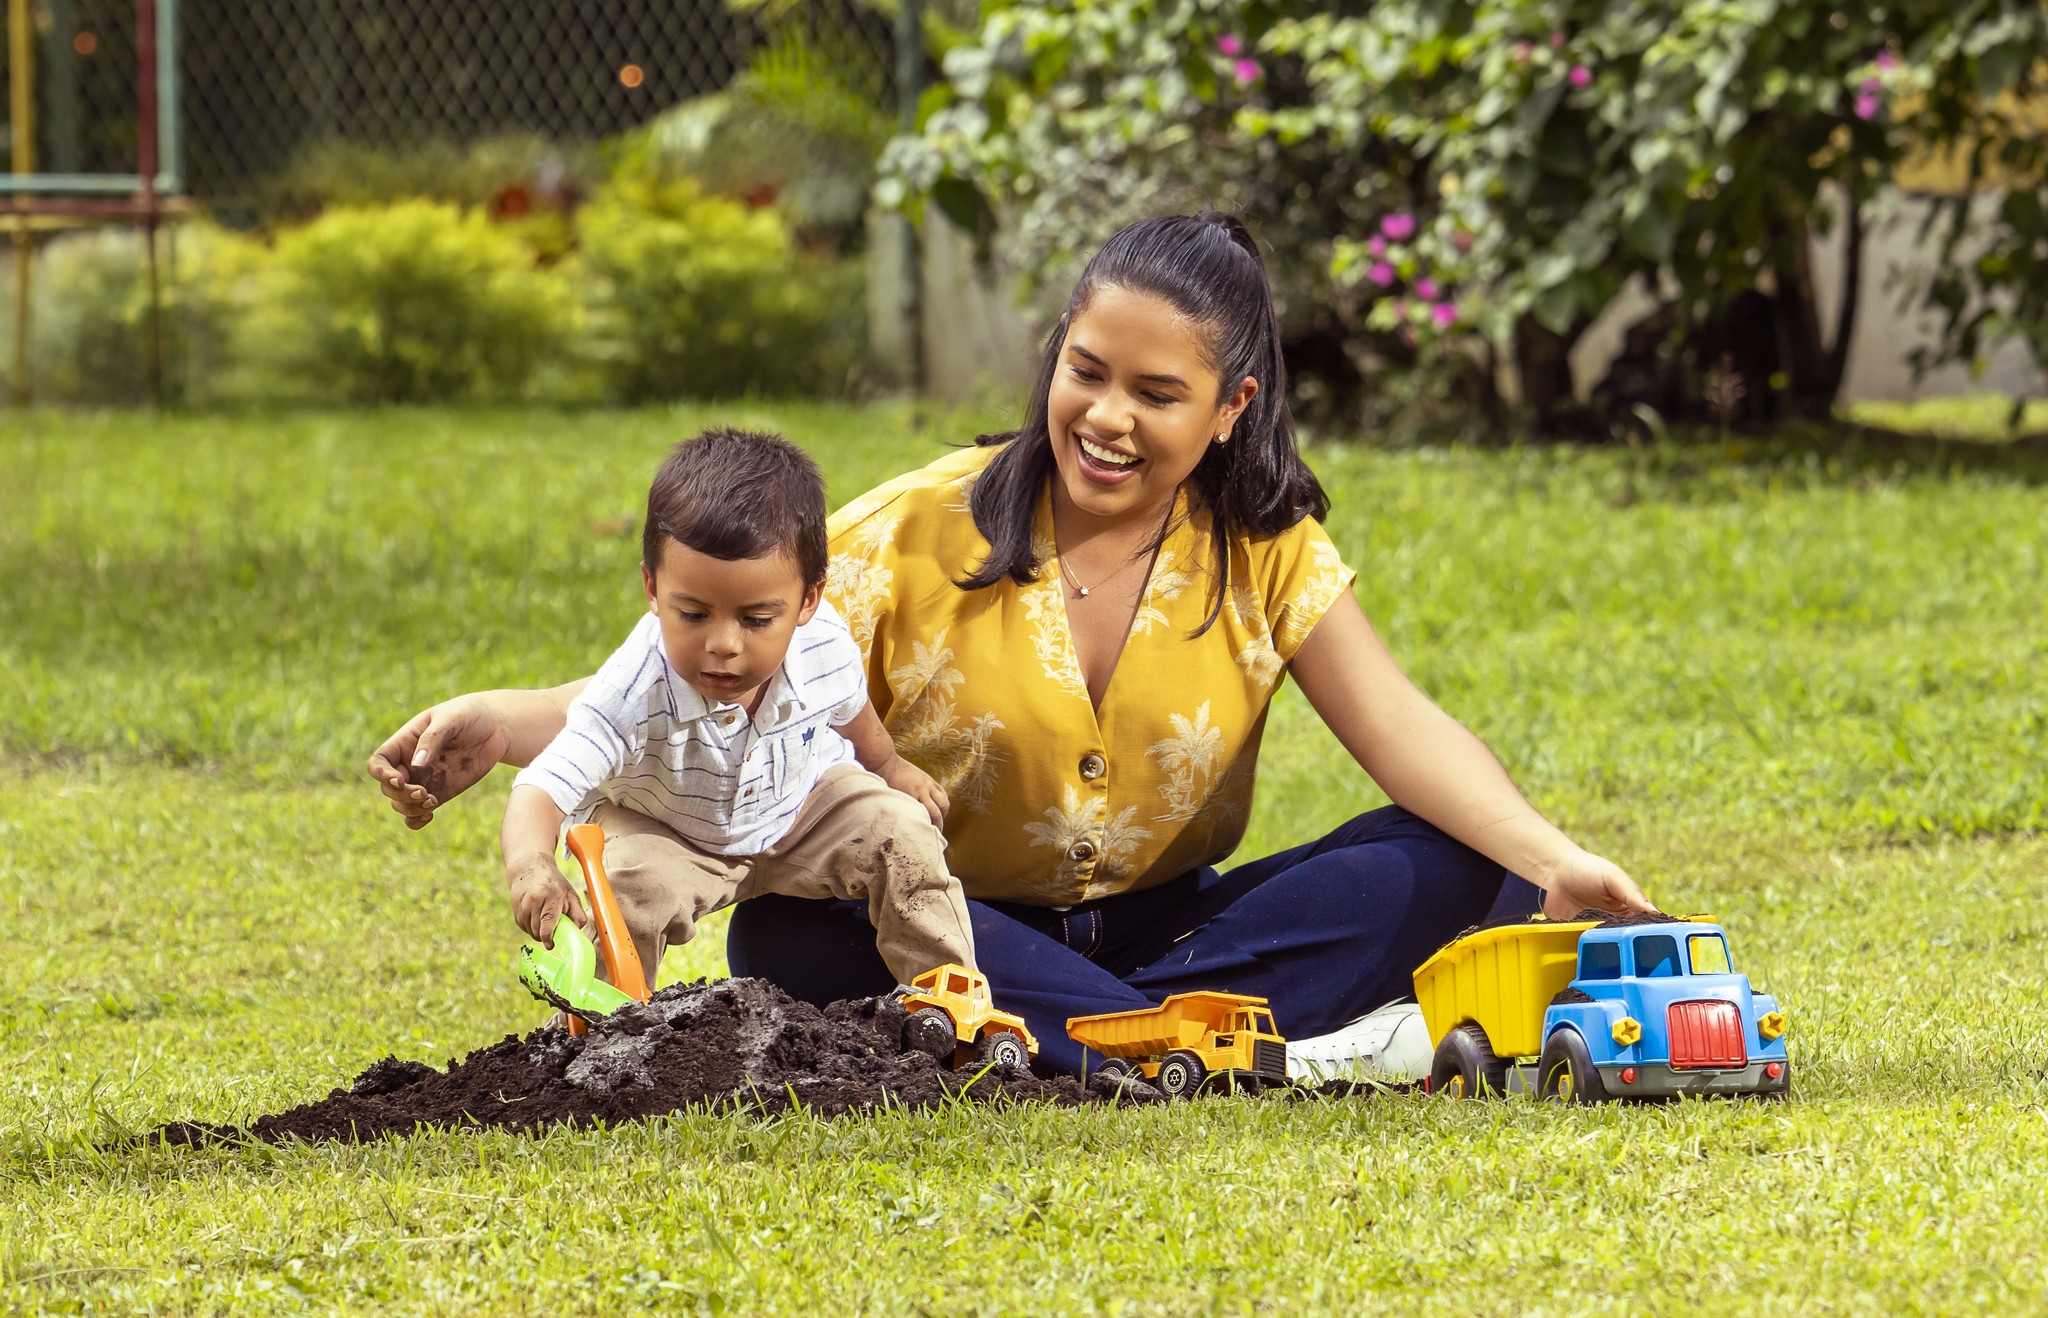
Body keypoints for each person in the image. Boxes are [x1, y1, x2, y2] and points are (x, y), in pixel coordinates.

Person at [369, 213, 1652, 1074]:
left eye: (1157, 395)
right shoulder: (908, 530)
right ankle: (1216, 1048)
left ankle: (1129, 1044)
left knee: (1459, 858)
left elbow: (1402, 728)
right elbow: (674, 673)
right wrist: (496, 724)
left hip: (1181, 929)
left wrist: (1551, 858)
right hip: (963, 923)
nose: (1106, 417)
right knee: (797, 941)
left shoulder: (1262, 547)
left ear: (1228, 409)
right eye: (1086, 371)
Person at [484, 429, 975, 995]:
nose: (723, 643)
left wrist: (889, 767)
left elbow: (849, 709)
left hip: (800, 809)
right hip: (670, 830)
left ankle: (951, 1003)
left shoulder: (824, 644)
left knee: (903, 834)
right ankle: (603, 1039)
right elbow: (542, 785)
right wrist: (530, 864)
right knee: (629, 894)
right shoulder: (634, 687)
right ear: (652, 586)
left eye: (756, 619)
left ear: (808, 600)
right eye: (692, 614)